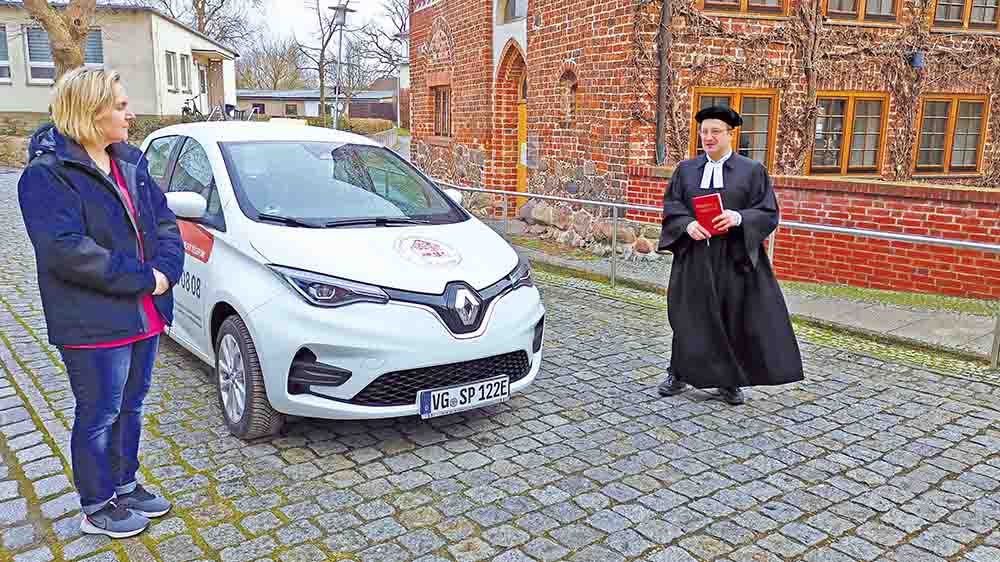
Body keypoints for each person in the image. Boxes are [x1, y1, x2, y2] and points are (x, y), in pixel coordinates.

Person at [18, 68, 184, 538]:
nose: (131, 114)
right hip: (92, 322)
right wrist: (143, 278)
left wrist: (167, 272)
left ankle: (125, 484)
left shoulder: (130, 161)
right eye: (120, 106)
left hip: (144, 313)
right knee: (99, 414)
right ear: (90, 113)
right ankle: (96, 504)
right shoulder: (46, 175)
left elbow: (165, 222)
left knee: (132, 405)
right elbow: (67, 252)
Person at [656, 105, 803, 405]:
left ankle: (729, 381)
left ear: (730, 135)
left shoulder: (752, 171)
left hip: (733, 258)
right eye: (704, 132)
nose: (708, 138)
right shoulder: (686, 170)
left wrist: (737, 218)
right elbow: (673, 207)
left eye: (715, 132)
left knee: (730, 316)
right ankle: (679, 372)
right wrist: (688, 225)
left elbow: (767, 212)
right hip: (695, 256)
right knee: (688, 316)